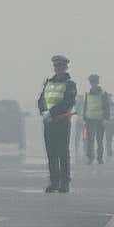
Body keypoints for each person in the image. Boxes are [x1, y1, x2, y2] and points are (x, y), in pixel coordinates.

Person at [37, 55, 78, 192]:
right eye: (56, 66)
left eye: (60, 66)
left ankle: (64, 182)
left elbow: (68, 102)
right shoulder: (48, 83)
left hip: (61, 121)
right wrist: (43, 111)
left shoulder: (70, 84)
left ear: (65, 67)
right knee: (51, 153)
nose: (58, 68)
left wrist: (51, 113)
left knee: (62, 153)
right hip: (48, 122)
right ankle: (54, 182)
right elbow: (41, 99)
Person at [81, 74, 109, 164]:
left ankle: (99, 158)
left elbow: (106, 107)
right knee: (90, 140)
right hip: (89, 119)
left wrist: (106, 119)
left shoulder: (103, 93)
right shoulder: (87, 93)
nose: (93, 83)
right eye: (91, 82)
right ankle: (90, 158)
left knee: (99, 140)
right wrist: (84, 118)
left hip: (100, 120)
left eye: (94, 81)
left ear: (97, 82)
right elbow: (86, 106)